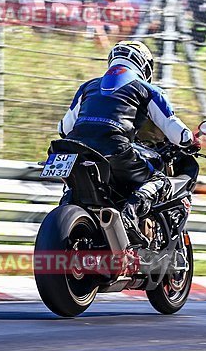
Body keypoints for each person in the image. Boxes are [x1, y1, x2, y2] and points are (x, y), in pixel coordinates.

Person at [58, 40, 198, 233]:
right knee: (159, 181)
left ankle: (65, 210)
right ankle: (129, 217)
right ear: (144, 66)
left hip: (71, 148)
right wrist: (190, 140)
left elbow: (64, 128)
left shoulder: (87, 86)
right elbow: (177, 131)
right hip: (115, 148)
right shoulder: (148, 89)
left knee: (73, 185)